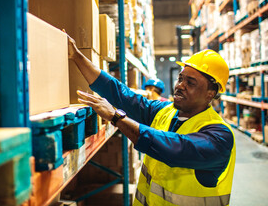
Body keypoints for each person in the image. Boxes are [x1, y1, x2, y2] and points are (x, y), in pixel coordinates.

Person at [67, 33, 235, 206]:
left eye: (190, 83)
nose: (179, 86)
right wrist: (77, 57)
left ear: (211, 94)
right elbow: (124, 96)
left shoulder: (219, 136)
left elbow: (175, 148)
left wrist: (116, 117)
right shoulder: (164, 111)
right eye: (180, 78)